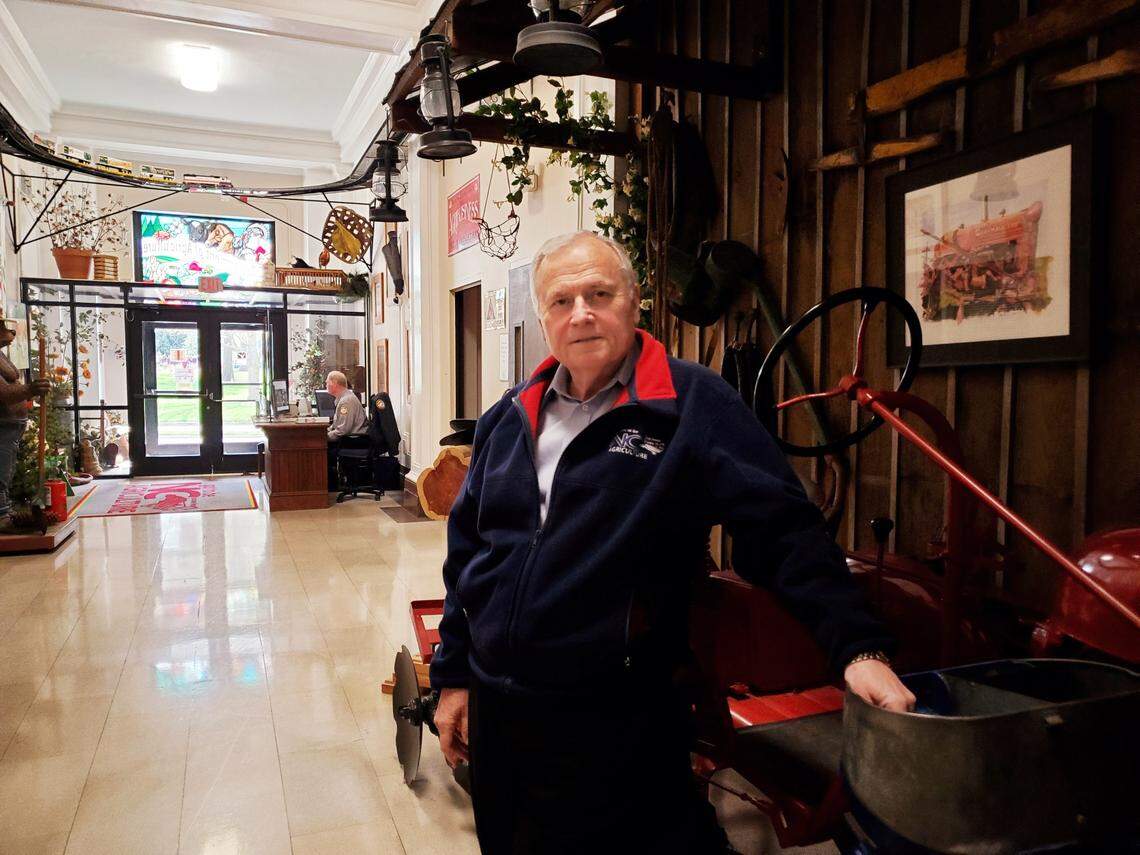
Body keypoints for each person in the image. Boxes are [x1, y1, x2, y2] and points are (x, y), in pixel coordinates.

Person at [429, 231, 916, 854]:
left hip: (616, 713)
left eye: (599, 294)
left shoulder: (691, 405)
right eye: (561, 300)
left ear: (634, 303)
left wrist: (857, 648)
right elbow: (469, 554)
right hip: (502, 712)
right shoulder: (509, 415)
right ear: (544, 318)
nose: (580, 313)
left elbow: (781, 528)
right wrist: (455, 677)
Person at [0, 316, 50, 518]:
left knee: (6, 469)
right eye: (4, 327)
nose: (10, 334)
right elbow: (3, 394)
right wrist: (30, 389)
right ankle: (1, 514)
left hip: (10, 425)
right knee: (1, 471)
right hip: (3, 425)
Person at [324, 370, 366, 489]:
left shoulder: (346, 402)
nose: (326, 384)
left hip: (353, 440)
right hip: (350, 438)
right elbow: (337, 426)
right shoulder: (343, 398)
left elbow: (342, 431)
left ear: (335, 383)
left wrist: (323, 437)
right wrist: (325, 431)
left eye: (328, 382)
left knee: (322, 451)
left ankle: (331, 487)